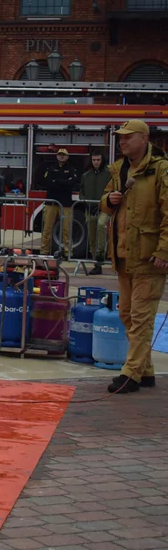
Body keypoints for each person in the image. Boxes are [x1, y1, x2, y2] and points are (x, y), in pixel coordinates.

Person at [100, 120, 168, 394]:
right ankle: (146, 370)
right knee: (127, 314)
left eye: (127, 138)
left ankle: (130, 374)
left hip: (149, 257)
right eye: (120, 138)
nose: (122, 142)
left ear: (144, 138)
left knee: (141, 317)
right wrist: (109, 200)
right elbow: (104, 199)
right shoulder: (119, 170)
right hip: (124, 255)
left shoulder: (161, 170)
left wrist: (164, 250)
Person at [39, 148, 80, 258]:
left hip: (66, 203)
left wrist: (56, 180)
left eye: (64, 155)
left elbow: (72, 183)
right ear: (56, 156)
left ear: (67, 157)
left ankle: (68, 253)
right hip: (51, 203)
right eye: (60, 155)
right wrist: (63, 182)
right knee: (47, 228)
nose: (61, 157)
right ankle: (44, 252)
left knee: (67, 230)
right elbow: (47, 183)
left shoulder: (71, 169)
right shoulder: (51, 168)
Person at [80, 150, 111, 275]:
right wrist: (86, 202)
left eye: (98, 160)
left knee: (101, 225)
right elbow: (81, 192)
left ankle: (100, 254)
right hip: (90, 209)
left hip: (104, 208)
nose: (96, 162)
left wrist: (102, 204)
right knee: (92, 236)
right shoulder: (86, 176)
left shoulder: (109, 175)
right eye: (94, 160)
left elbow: (112, 190)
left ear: (102, 160)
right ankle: (96, 264)